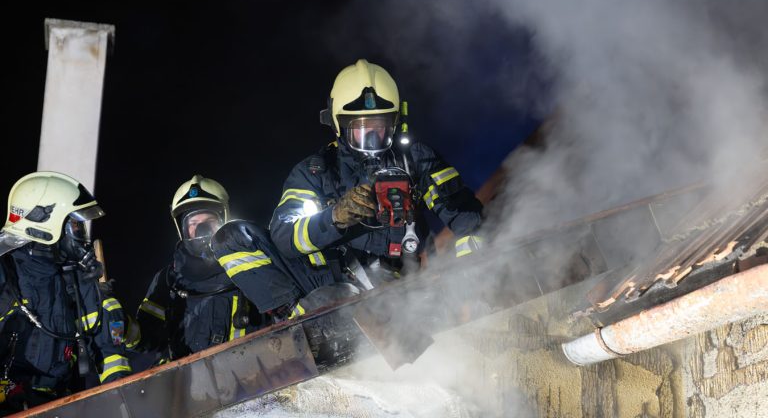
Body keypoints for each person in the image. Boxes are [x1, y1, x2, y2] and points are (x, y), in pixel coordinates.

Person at [269, 59, 484, 291]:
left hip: (406, 287)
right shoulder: (315, 173)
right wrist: (334, 217)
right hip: (341, 293)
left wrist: (471, 269)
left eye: (379, 125)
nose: (371, 137)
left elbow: (466, 216)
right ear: (339, 125)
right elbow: (283, 236)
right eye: (361, 127)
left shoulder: (415, 159)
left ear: (394, 122)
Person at [135, 175, 312, 362]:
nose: (201, 230)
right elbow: (148, 339)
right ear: (182, 230)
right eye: (194, 224)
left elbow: (285, 314)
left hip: (258, 376)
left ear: (224, 219)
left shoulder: (252, 261)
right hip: (190, 384)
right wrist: (125, 329)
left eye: (208, 222)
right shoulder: (168, 279)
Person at [0, 172, 132, 413]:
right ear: (44, 225)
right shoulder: (5, 274)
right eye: (74, 225)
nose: (81, 235)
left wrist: (122, 401)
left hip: (62, 405)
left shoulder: (77, 280)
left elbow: (108, 352)